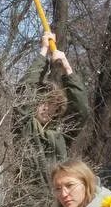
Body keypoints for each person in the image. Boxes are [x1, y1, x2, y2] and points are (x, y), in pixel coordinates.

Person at [15, 33, 90, 188]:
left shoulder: (62, 135)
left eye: (53, 104)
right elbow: (25, 90)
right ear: (35, 103)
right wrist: (43, 51)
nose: (47, 108)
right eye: (43, 102)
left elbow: (81, 111)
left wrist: (67, 68)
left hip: (57, 203)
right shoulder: (24, 125)